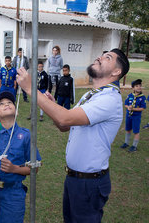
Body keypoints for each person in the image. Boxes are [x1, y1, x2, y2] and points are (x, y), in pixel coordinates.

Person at [17, 48, 130, 223]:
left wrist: (32, 90)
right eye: (101, 54)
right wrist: (53, 106)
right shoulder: (91, 95)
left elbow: (65, 117)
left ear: (117, 72)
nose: (99, 57)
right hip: (75, 178)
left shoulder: (109, 99)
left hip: (89, 183)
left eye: (107, 57)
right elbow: (64, 124)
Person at [0, 91, 42, 223]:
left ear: (16, 111)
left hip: (13, 192)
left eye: (10, 103)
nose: (6, 104)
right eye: (1, 104)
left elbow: (35, 167)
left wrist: (15, 169)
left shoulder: (25, 135)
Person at [120, 79, 146, 152]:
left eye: (140, 86)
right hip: (129, 116)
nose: (139, 87)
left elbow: (142, 108)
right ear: (133, 88)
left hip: (136, 117)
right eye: (136, 86)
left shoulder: (142, 97)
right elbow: (125, 104)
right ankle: (126, 143)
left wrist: (133, 109)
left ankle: (134, 146)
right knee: (128, 130)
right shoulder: (130, 96)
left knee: (136, 131)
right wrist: (128, 107)